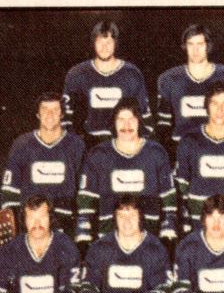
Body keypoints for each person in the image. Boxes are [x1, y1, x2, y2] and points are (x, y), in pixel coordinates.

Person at [75, 98, 177, 254]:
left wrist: (168, 229)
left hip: (148, 236)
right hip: (109, 236)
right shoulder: (99, 154)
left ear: (139, 121)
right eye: (121, 119)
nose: (126, 125)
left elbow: (168, 196)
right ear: (113, 123)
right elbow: (86, 199)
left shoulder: (156, 153)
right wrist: (84, 232)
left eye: (131, 119)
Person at [173, 82, 224, 236]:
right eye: (214, 103)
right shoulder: (190, 140)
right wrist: (184, 218)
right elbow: (181, 185)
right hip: (199, 221)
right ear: (206, 105)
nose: (220, 110)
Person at [1, 92, 86, 236]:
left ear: (62, 114)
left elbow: (84, 189)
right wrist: (14, 225)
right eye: (45, 109)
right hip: (31, 222)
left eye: (55, 110)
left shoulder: (76, 145)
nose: (49, 114)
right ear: (37, 114)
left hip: (64, 222)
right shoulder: (22, 145)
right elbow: (9, 191)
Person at [62, 21, 152, 146]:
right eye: (100, 42)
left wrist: (139, 146)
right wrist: (73, 143)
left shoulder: (131, 74)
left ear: (116, 43)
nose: (104, 47)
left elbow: (144, 118)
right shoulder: (78, 74)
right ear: (93, 43)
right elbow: (65, 116)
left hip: (123, 142)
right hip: (88, 144)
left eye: (109, 42)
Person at [156, 24, 224, 152]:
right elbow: (163, 124)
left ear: (208, 46)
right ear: (185, 46)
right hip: (183, 147)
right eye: (191, 44)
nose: (195, 50)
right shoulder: (169, 79)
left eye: (200, 44)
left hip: (218, 147)